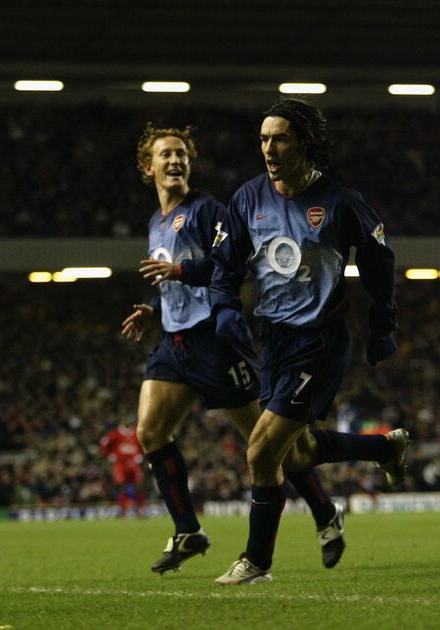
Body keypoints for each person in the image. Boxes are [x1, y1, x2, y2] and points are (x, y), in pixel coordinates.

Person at [122, 123, 349, 575]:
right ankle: (188, 530)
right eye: (165, 155)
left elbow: (229, 266)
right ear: (148, 168)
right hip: (173, 340)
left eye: (181, 154)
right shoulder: (156, 222)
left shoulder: (207, 211)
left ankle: (326, 515)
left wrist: (185, 275)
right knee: (149, 432)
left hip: (213, 341)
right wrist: (153, 306)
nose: (175, 161)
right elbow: (169, 276)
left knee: (270, 445)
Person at [210, 98, 409, 585]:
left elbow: (380, 258)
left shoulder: (340, 201)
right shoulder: (247, 198)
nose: (269, 149)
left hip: (318, 340)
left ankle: (256, 562)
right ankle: (384, 449)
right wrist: (223, 310)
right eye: (263, 139)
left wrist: (383, 322)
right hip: (272, 340)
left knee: (261, 453)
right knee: (295, 455)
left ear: (302, 142)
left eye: (279, 138)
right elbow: (225, 266)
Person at [99, 423, 145, 516]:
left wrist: (141, 454)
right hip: (121, 464)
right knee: (121, 486)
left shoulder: (137, 433)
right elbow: (103, 442)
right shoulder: (115, 434)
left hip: (133, 464)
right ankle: (124, 509)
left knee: (139, 485)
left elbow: (145, 444)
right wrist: (109, 455)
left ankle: (140, 509)